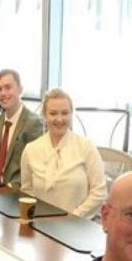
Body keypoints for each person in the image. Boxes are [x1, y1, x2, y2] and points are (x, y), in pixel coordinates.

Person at [20, 88, 107, 218]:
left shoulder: (86, 147)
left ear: (72, 114)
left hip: (77, 225)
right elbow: (27, 191)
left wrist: (73, 217)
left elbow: (99, 192)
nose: (59, 119)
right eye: (53, 113)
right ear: (44, 115)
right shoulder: (30, 150)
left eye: (65, 113)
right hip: (41, 223)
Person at [0, 69, 44, 187]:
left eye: (8, 87)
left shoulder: (34, 123)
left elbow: (34, 169)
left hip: (16, 193)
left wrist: (7, 189)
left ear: (20, 89)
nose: (3, 93)